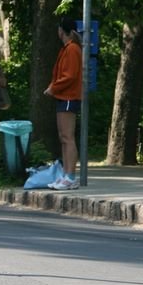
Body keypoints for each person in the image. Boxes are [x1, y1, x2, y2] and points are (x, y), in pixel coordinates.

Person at [44, 17, 83, 191]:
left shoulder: (73, 49)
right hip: (63, 96)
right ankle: (65, 175)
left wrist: (53, 87)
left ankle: (71, 176)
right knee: (63, 137)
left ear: (62, 31)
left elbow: (70, 76)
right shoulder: (68, 49)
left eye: (58, 29)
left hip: (69, 96)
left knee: (68, 137)